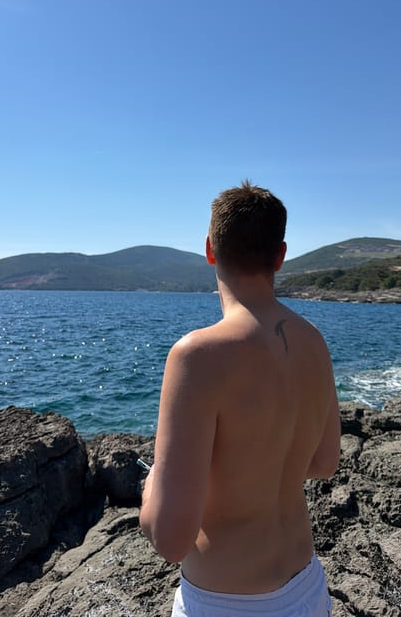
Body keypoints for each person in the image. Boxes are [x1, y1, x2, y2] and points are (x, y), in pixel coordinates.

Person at [139, 181, 341, 616]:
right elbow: (324, 463)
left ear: (210, 249)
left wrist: (152, 483)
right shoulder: (313, 342)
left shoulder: (198, 355)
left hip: (228, 603)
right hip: (307, 588)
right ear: (280, 256)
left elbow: (171, 540)